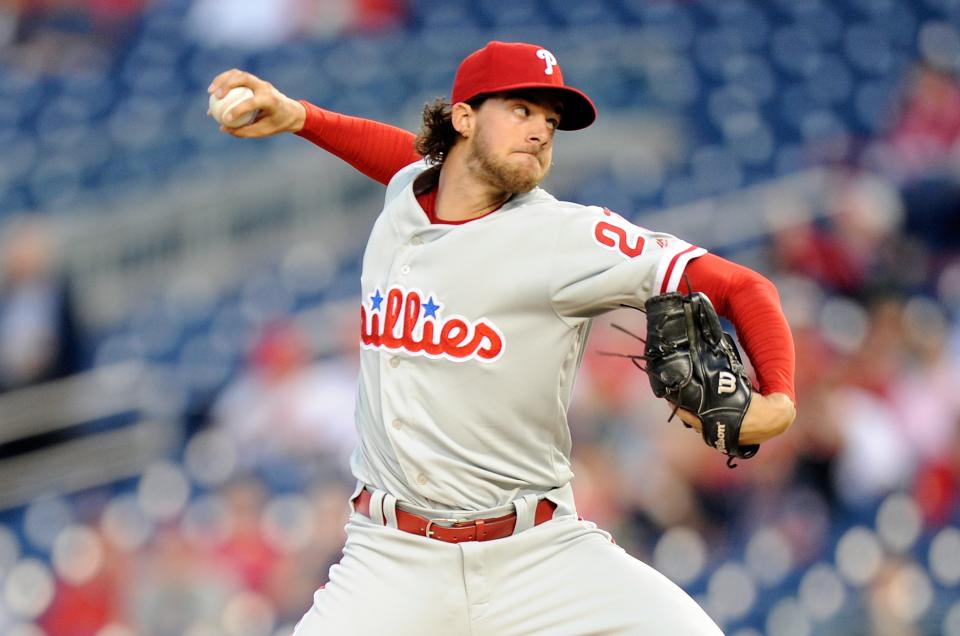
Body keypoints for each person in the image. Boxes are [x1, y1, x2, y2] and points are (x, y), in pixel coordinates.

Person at [208, 40, 797, 635]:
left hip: (538, 555)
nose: (541, 131)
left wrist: (778, 401)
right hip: (391, 561)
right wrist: (300, 117)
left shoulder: (568, 237)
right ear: (462, 118)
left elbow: (745, 288)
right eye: (521, 109)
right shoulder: (408, 195)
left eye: (551, 121)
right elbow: (406, 161)